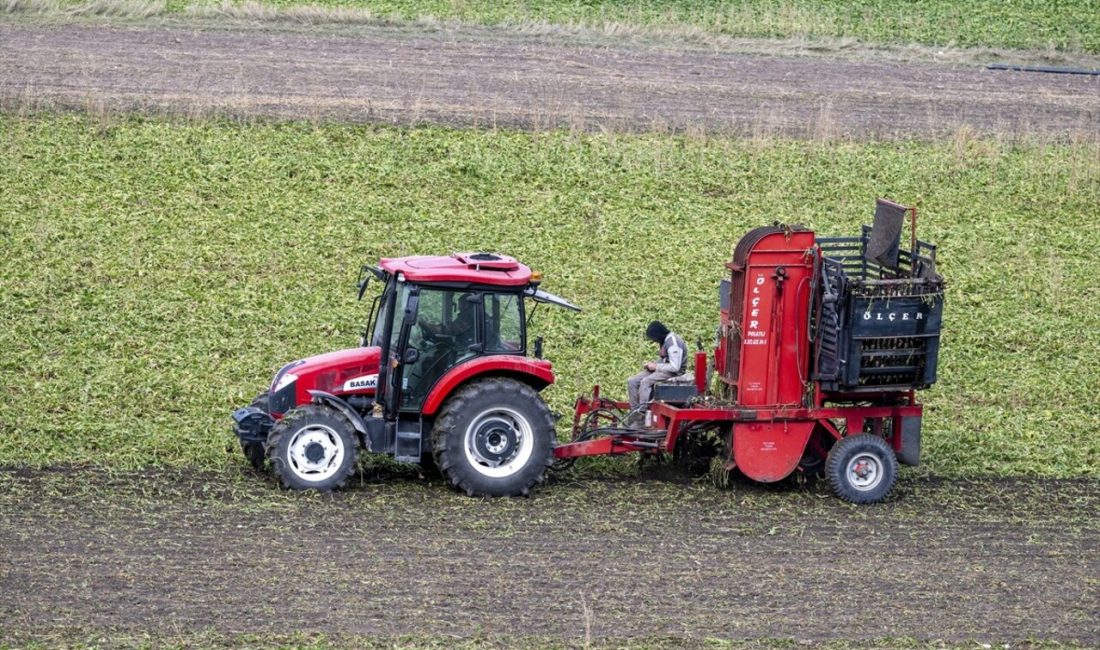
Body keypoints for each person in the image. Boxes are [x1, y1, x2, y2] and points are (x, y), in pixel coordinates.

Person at [627, 320, 688, 418]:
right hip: (664, 368)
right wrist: (652, 364)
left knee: (645, 382)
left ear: (659, 335)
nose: (654, 341)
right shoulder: (664, 341)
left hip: (674, 372)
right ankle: (634, 412)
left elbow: (675, 367)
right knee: (632, 381)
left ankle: (643, 413)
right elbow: (664, 359)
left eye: (654, 339)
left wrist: (656, 366)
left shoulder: (673, 343)